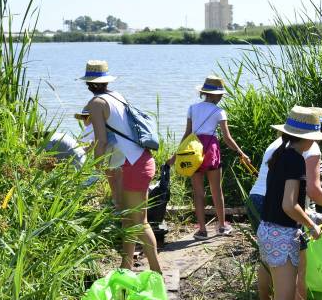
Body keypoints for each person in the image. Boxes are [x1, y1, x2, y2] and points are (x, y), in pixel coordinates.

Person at [247, 107, 322, 300]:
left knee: (271, 272)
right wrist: (317, 218)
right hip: (283, 225)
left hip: (262, 211)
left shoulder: (280, 149)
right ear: (314, 133)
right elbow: (297, 199)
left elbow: (286, 196)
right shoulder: (302, 153)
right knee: (291, 284)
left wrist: (310, 215)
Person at [78, 60, 161, 273]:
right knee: (127, 219)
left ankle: (156, 271)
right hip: (137, 160)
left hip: (133, 165)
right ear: (106, 81)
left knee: (139, 221)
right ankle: (126, 266)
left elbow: (101, 140)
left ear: (88, 83)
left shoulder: (97, 103)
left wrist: (96, 167)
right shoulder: (116, 96)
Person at [172, 75, 249, 240]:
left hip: (193, 149)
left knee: (198, 192)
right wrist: (241, 153)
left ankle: (202, 230)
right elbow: (227, 138)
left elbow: (187, 134)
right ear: (214, 95)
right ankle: (222, 227)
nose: (221, 97)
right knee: (216, 190)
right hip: (210, 150)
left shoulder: (192, 108)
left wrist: (176, 155)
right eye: (220, 94)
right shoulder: (219, 112)